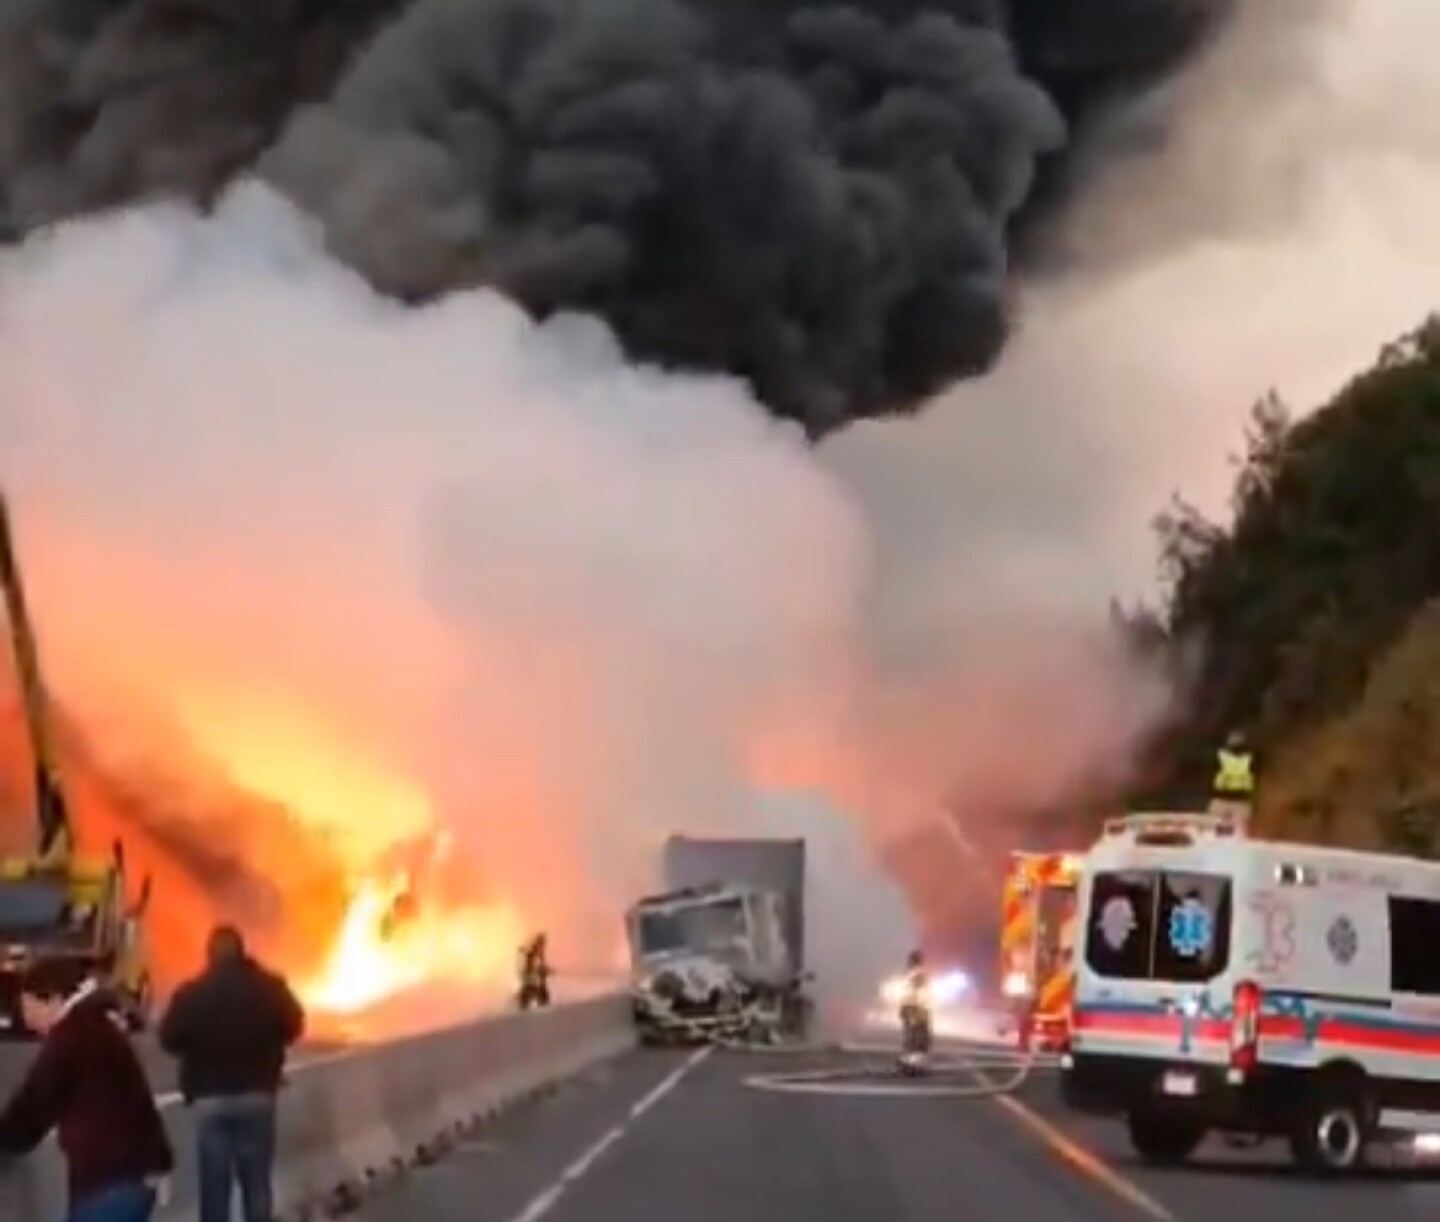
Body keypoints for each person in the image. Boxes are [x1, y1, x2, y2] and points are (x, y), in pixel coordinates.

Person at [0, 968, 173, 1222]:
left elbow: (34, 1104)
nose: (27, 1019)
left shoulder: (71, 1036)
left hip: (108, 1176)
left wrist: (6, 1137)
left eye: (29, 1007)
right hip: (132, 1173)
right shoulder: (98, 1027)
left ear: (53, 1000)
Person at [158, 925, 304, 1222]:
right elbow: (294, 1025)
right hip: (257, 1095)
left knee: (214, 1186)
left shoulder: (192, 993)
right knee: (256, 1183)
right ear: (242, 952)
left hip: (210, 1099)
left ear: (209, 956)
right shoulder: (268, 987)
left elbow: (169, 1038)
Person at [1211, 730, 1256, 829]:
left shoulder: (1221, 756)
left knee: (1217, 825)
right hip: (1241, 797)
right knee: (1238, 827)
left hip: (1223, 795)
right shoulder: (1250, 758)